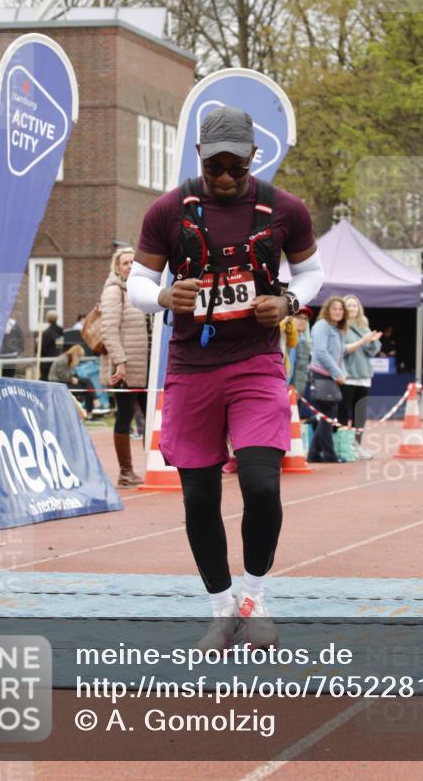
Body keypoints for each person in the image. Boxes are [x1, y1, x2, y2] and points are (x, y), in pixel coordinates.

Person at [128, 105, 323, 648]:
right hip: (192, 368)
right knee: (198, 498)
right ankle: (221, 606)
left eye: (237, 166)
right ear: (199, 158)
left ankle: (256, 597)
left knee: (262, 485)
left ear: (253, 158)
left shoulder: (285, 208)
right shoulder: (168, 210)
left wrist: (286, 301)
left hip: (256, 363)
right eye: (216, 167)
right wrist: (165, 295)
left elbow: (312, 272)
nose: (227, 177)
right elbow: (138, 283)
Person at [100, 246, 148, 488]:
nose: (129, 266)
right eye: (125, 263)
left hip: (146, 369)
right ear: (117, 267)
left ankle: (153, 465)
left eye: (133, 262)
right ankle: (126, 472)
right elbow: (108, 329)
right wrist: (120, 361)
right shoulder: (114, 291)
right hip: (126, 368)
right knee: (125, 415)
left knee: (150, 419)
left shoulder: (142, 288)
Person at [339, 295, 382, 458]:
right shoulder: (339, 327)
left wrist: (372, 341)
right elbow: (341, 350)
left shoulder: (363, 326)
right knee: (343, 413)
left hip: (364, 376)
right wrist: (362, 341)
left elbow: (372, 351)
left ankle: (357, 444)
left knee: (359, 414)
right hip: (347, 376)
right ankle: (343, 445)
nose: (352, 308)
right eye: (349, 305)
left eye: (355, 306)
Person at [308, 295, 348, 463]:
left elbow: (340, 354)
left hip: (330, 377)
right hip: (322, 375)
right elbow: (321, 352)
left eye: (340, 309)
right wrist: (337, 373)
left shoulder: (336, 329)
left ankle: (314, 454)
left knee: (327, 417)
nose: (338, 312)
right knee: (327, 418)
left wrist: (342, 373)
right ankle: (329, 455)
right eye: (334, 308)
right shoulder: (321, 326)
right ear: (327, 310)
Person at [48, 344, 103, 420]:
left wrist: (73, 375)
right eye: (79, 356)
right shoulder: (63, 360)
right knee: (87, 384)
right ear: (75, 354)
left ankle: (92, 409)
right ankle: (95, 404)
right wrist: (72, 377)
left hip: (64, 382)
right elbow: (64, 377)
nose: (79, 359)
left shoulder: (67, 359)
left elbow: (71, 375)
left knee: (87, 387)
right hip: (58, 384)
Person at [38, 309, 64, 381]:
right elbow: (59, 346)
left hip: (47, 362)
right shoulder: (60, 332)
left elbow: (42, 348)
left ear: (47, 319)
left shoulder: (46, 333)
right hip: (58, 359)